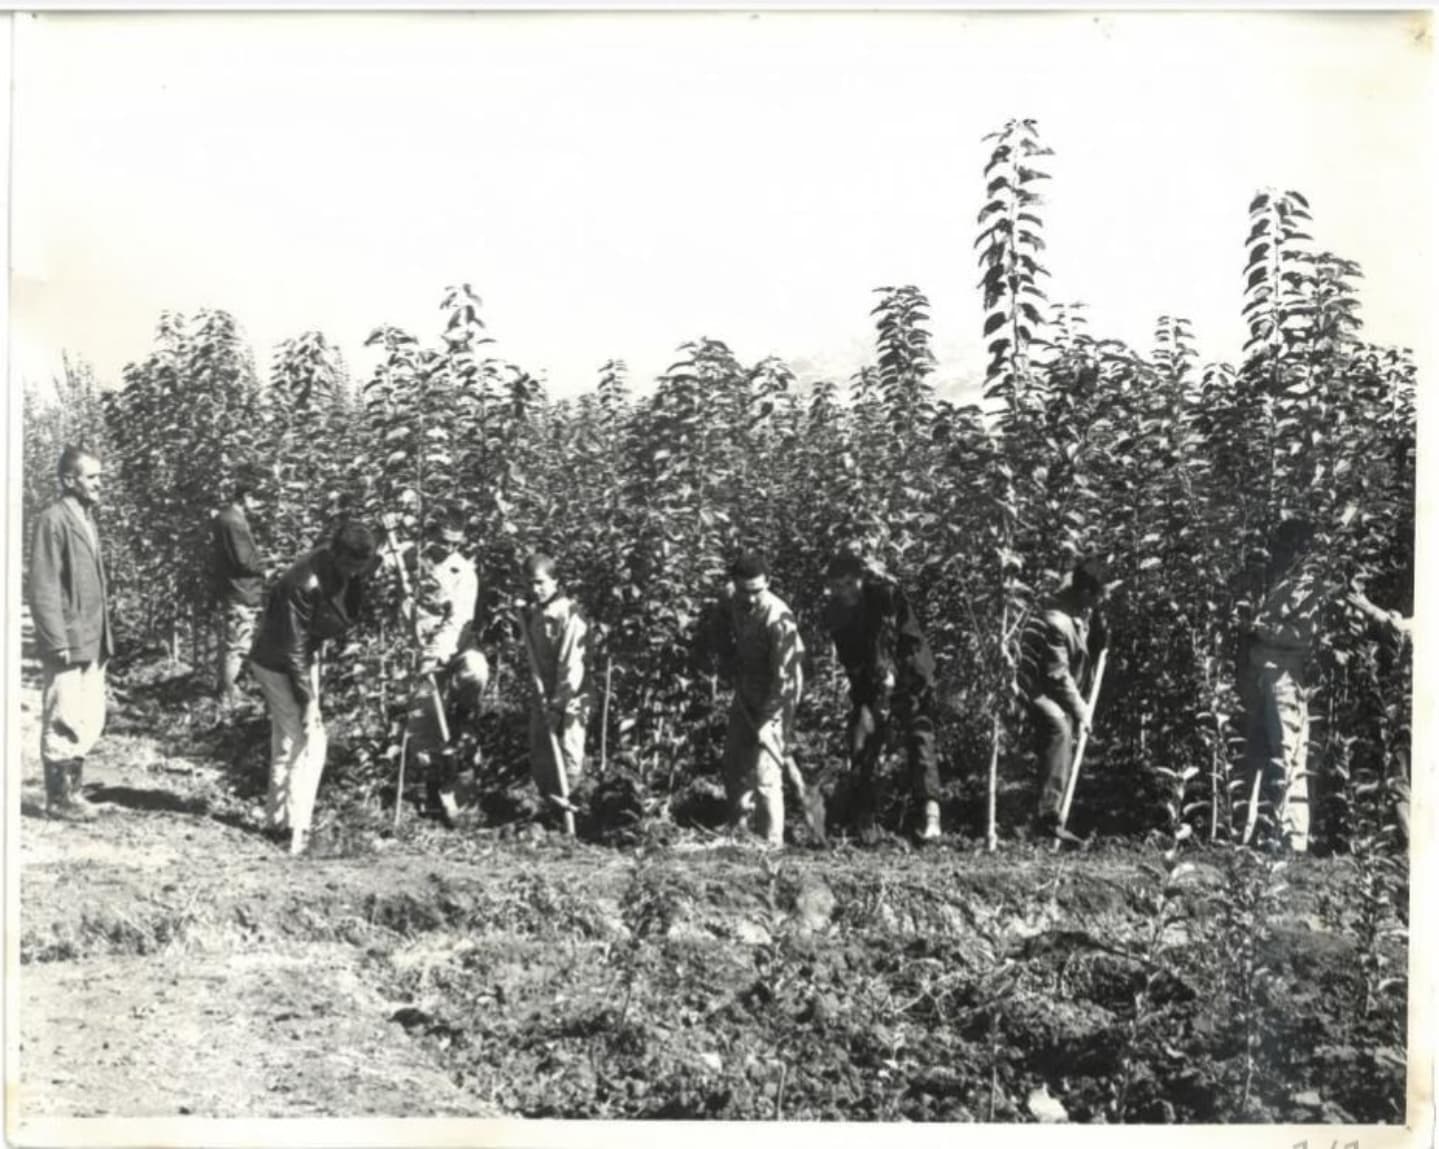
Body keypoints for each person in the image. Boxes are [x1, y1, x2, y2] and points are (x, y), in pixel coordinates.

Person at [248, 521, 379, 855]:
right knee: (310, 740)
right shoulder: (301, 584)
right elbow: (292, 651)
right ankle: (297, 829)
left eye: (360, 567)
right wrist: (308, 702)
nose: (355, 573)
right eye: (351, 566)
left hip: (300, 656)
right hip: (279, 663)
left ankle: (276, 824)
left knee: (288, 739)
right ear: (336, 555)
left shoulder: (345, 562)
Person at [823, 551, 942, 843]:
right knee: (861, 737)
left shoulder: (886, 597)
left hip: (909, 673)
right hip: (870, 681)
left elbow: (909, 642)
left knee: (918, 734)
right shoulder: (834, 613)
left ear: (862, 580)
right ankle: (864, 820)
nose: (844, 591)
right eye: (838, 586)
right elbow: (851, 659)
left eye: (849, 583)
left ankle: (931, 814)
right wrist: (874, 696)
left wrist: (897, 681)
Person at [1237, 518, 1340, 854]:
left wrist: (1260, 628)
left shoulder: (1309, 585)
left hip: (1284, 676)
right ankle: (1252, 832)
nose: (1281, 551)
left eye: (1287, 544)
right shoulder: (1274, 580)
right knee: (1259, 753)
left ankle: (1293, 838)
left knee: (1289, 750)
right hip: (1261, 675)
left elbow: (1302, 636)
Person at [29, 446, 115, 821]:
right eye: (92, 477)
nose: (100, 484)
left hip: (92, 636)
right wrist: (55, 638)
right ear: (69, 480)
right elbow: (43, 584)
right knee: (63, 712)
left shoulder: (86, 518)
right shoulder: (53, 519)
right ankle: (59, 799)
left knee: (87, 714)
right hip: (68, 636)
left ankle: (74, 793)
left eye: (100, 477)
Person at [712, 552, 805, 848]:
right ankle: (739, 828)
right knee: (735, 758)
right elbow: (719, 620)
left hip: (780, 689)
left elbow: (785, 681)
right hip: (748, 684)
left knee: (766, 768)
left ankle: (772, 843)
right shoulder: (730, 597)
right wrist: (726, 656)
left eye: (757, 591)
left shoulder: (779, 619)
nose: (749, 599)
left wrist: (769, 720)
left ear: (769, 584)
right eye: (743, 591)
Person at [1017, 556, 1108, 845]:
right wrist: (1083, 711)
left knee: (1064, 731)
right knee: (1059, 727)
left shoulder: (1083, 609)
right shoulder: (1057, 621)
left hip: (1055, 689)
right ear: (1084, 593)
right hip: (1033, 688)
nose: (1098, 604)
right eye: (1096, 598)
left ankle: (1049, 815)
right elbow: (1058, 676)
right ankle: (1046, 817)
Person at [401, 512, 481, 826]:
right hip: (418, 646)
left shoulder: (464, 572)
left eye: (454, 543)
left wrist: (435, 654)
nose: (447, 548)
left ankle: (464, 755)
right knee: (422, 718)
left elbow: (458, 620)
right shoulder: (413, 560)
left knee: (475, 671)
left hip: (454, 646)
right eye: (442, 540)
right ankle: (428, 791)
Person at [519, 554, 590, 820]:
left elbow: (571, 666)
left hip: (571, 696)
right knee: (542, 753)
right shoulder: (536, 611)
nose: (535, 590)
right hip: (543, 694)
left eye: (540, 583)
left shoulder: (569, 614)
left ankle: (572, 813)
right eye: (529, 584)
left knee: (569, 754)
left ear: (556, 581)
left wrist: (559, 707)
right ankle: (550, 814)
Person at [210, 466, 267, 713]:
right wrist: (268, 565)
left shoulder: (227, 518)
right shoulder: (233, 522)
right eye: (259, 499)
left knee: (233, 643)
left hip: (234, 590)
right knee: (238, 645)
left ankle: (227, 692)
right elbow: (244, 560)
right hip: (241, 591)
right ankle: (229, 697)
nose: (261, 506)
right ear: (246, 497)